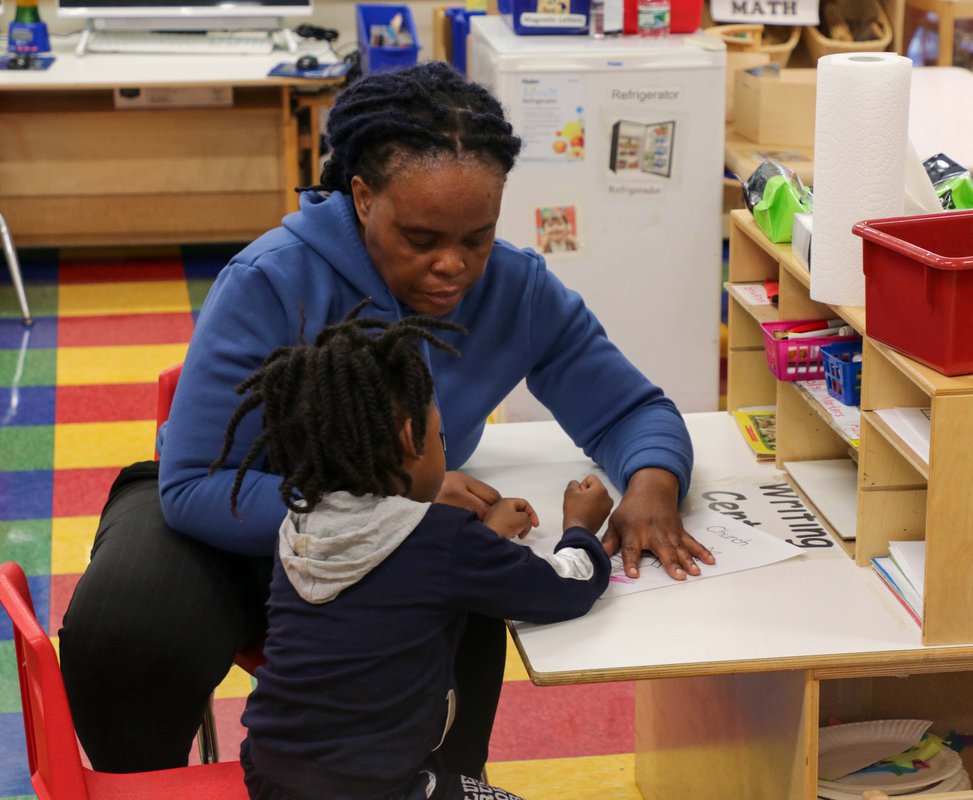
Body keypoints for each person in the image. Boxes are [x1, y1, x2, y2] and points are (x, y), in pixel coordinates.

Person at [58, 60, 714, 777]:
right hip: (226, 521)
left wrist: (653, 483)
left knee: (461, 608)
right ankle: (140, 787)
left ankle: (442, 786)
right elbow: (192, 487)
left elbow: (630, 408)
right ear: (363, 198)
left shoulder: (516, 289)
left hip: (384, 548)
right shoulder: (269, 280)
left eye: (477, 236)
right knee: (126, 632)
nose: (453, 266)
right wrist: (392, 504)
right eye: (422, 237)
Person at [221, 310, 613, 800]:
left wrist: (483, 537)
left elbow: (403, 574)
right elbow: (563, 589)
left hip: (270, 774)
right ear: (413, 438)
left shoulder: (298, 524)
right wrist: (580, 526)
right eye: (440, 434)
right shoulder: (443, 539)